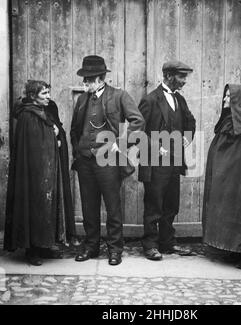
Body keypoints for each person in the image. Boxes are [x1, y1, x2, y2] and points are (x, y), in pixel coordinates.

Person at [71, 55, 144, 265]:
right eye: (84, 79)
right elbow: (75, 129)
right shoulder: (82, 99)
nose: (84, 83)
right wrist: (78, 150)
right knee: (88, 206)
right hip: (85, 161)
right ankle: (91, 246)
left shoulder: (118, 96)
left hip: (108, 161)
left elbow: (138, 121)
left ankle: (115, 249)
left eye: (88, 79)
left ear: (101, 79)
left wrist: (121, 143)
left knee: (113, 206)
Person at [4, 80, 79, 266]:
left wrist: (57, 133)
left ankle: (46, 246)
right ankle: (32, 250)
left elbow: (57, 130)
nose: (48, 97)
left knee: (49, 206)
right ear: (32, 96)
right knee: (34, 205)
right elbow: (34, 144)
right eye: (44, 94)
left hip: (49, 169)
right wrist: (53, 138)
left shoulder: (48, 109)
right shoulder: (26, 116)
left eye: (48, 92)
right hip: (33, 171)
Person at [202, 84, 241, 269]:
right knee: (229, 208)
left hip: (240, 179)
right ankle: (233, 248)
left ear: (239, 102)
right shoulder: (229, 121)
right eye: (225, 96)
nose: (224, 99)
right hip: (228, 177)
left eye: (229, 97)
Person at [138, 60, 196, 261]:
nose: (184, 81)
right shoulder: (150, 100)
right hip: (155, 163)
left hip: (174, 162)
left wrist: (186, 140)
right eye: (181, 77)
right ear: (169, 76)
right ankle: (150, 245)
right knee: (154, 205)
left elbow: (191, 122)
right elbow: (138, 132)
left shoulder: (180, 100)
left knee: (171, 205)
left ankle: (167, 243)